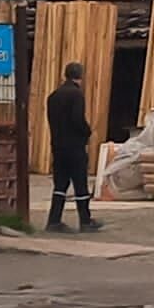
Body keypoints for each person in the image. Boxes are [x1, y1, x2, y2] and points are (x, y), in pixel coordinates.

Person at [45, 62, 104, 233]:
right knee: (80, 184)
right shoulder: (76, 95)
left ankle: (54, 220)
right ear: (80, 76)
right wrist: (87, 132)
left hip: (58, 145)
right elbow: (77, 119)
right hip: (74, 146)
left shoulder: (53, 96)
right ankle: (85, 221)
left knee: (60, 185)